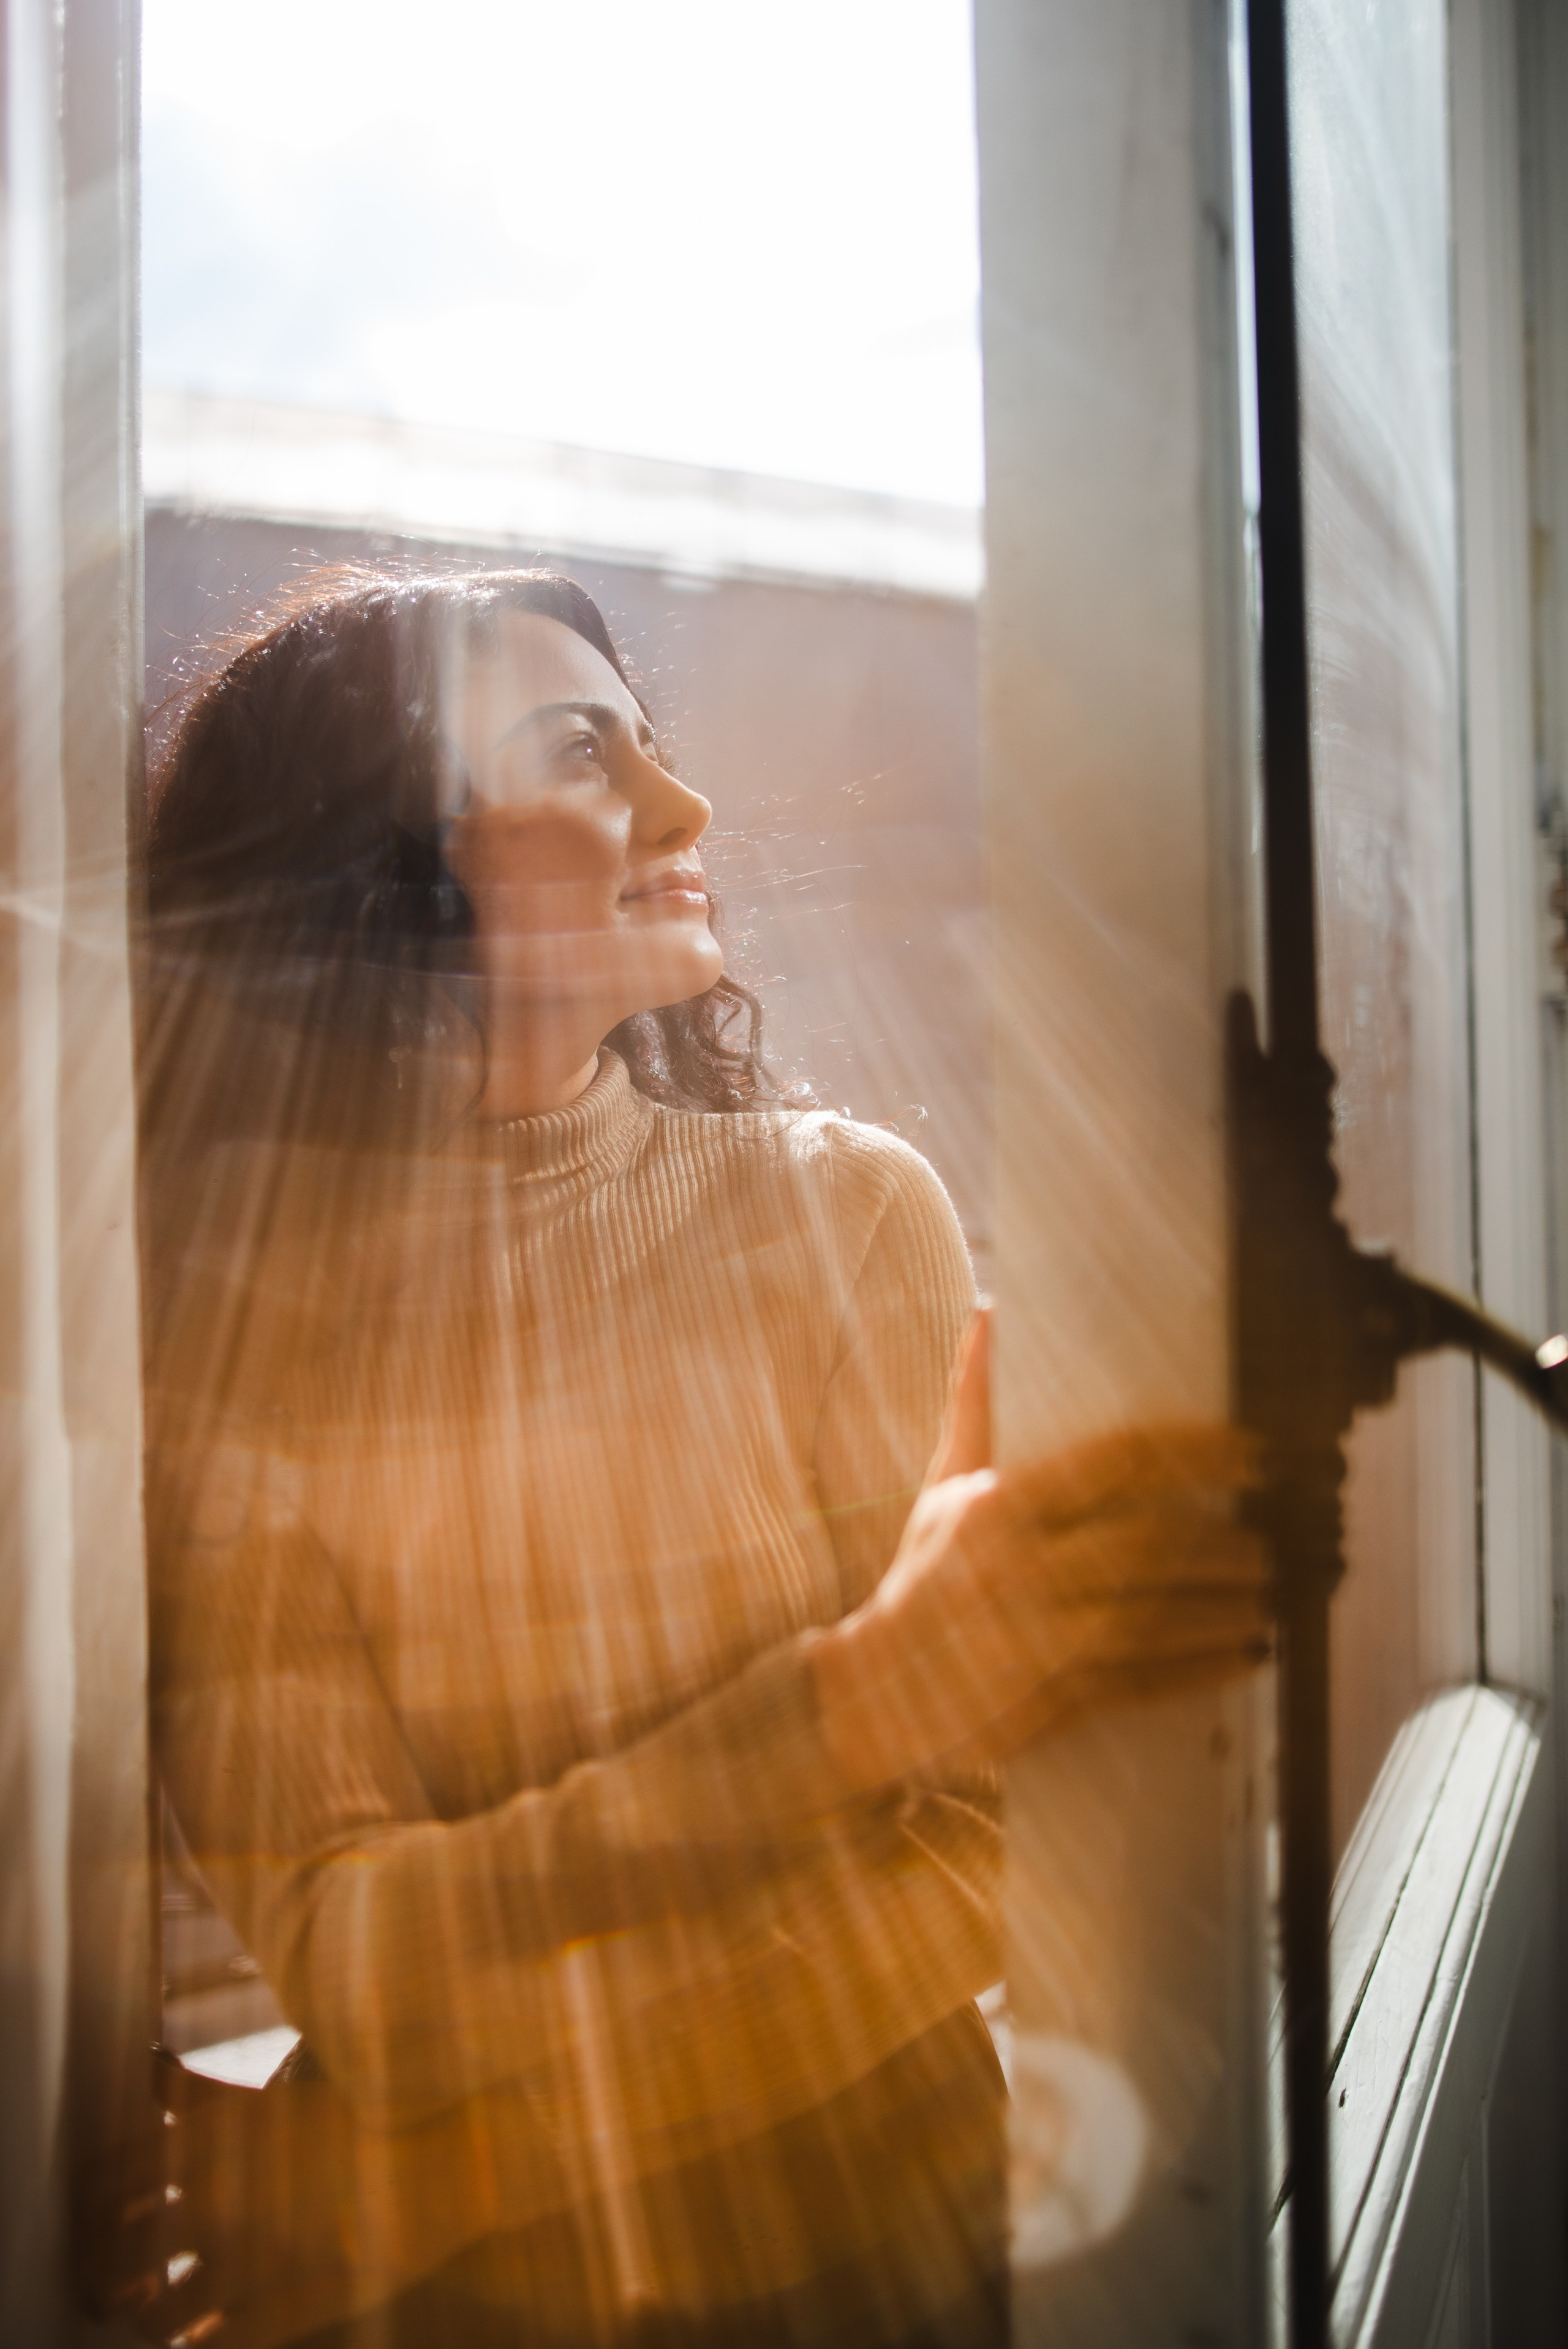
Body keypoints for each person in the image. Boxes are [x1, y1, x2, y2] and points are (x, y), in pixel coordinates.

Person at [123, 568, 1267, 2349]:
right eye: (584, 752)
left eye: (655, 744)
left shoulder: (844, 1215)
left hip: (900, 2267)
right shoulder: (228, 1359)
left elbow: (991, 1852)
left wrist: (429, 2172)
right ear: (382, 855)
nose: (688, 808)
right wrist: (858, 1704)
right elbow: (364, 1966)